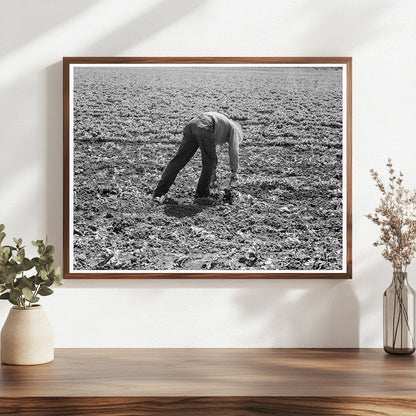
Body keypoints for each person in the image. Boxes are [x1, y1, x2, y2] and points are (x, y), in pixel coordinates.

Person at [153, 112, 243, 203]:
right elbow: (233, 150)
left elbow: (211, 153)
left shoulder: (222, 126)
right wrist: (234, 171)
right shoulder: (234, 130)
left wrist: (213, 175)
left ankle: (159, 193)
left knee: (179, 160)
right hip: (205, 124)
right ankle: (201, 195)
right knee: (210, 161)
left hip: (192, 123)